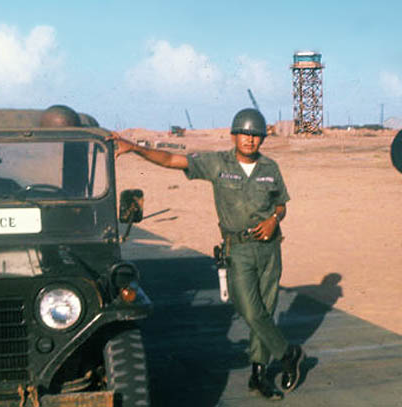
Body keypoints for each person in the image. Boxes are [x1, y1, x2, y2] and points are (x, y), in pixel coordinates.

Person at [111, 108, 304, 400]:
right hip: (238, 249)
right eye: (245, 134)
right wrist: (136, 148)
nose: (250, 140)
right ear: (234, 136)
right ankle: (289, 353)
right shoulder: (217, 164)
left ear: (262, 139)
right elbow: (173, 160)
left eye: (256, 135)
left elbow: (281, 205)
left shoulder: (270, 168)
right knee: (250, 310)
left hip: (269, 248)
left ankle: (259, 375)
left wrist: (274, 220)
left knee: (265, 309)